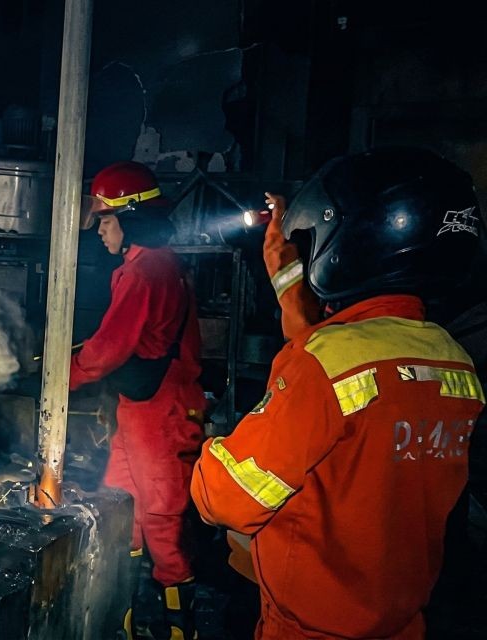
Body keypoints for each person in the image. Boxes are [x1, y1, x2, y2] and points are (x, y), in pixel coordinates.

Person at [191, 147, 485, 639]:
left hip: (309, 627)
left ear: (348, 239)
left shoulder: (321, 365)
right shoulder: (450, 357)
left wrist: (210, 451)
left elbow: (227, 499)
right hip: (401, 623)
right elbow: (331, 346)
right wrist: (282, 259)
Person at [71, 160, 206, 640]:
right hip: (141, 409)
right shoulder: (148, 265)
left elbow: (107, 351)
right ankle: (124, 617)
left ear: (130, 218)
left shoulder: (147, 270)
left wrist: (55, 376)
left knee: (160, 523)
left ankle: (177, 629)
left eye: (106, 219)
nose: (102, 230)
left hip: (163, 412)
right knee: (122, 507)